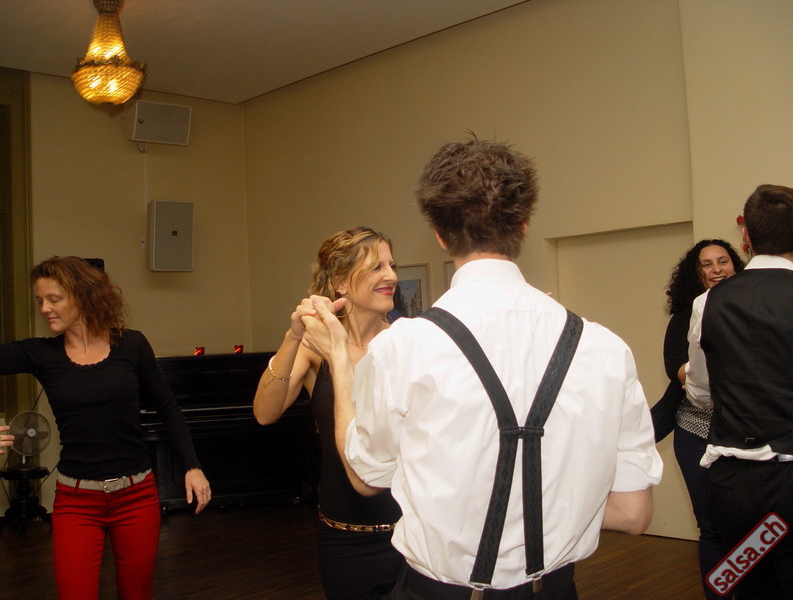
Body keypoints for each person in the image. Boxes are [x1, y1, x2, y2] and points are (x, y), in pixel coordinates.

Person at [302, 136, 663, 599]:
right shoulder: (605, 349)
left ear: (439, 232)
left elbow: (364, 477)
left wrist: (337, 356)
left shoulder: (405, 346)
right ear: (524, 226)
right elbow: (633, 515)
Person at [0, 256, 211, 600]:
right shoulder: (41, 353)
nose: (45, 308)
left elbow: (167, 407)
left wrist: (192, 466)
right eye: (40, 301)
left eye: (54, 299)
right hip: (76, 502)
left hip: (136, 497)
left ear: (82, 295)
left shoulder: (132, 345)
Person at [253, 226, 404, 600]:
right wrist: (293, 337)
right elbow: (265, 413)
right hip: (344, 537)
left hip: (411, 532)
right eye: (376, 267)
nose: (390, 276)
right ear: (339, 282)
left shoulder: (405, 342)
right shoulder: (315, 346)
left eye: (392, 265)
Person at [686, 184, 793, 599]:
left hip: (736, 486)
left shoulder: (709, 302)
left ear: (746, 236)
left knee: (749, 586)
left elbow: (700, 391)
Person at [653, 239, 743, 600]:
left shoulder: (752, 310)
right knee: (711, 528)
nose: (717, 269)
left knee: (752, 527)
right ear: (697, 273)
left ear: (736, 266)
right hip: (696, 434)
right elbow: (678, 371)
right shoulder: (684, 319)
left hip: (745, 435)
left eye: (723, 261)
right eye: (707, 264)